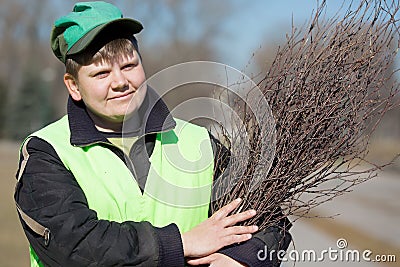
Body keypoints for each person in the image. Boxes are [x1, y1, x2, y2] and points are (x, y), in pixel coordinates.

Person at [14, 1, 291, 266]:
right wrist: (181, 244)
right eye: (101, 74)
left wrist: (243, 259)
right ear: (74, 86)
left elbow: (268, 215)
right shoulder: (46, 152)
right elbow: (74, 245)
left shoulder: (198, 141)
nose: (120, 82)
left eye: (129, 66)